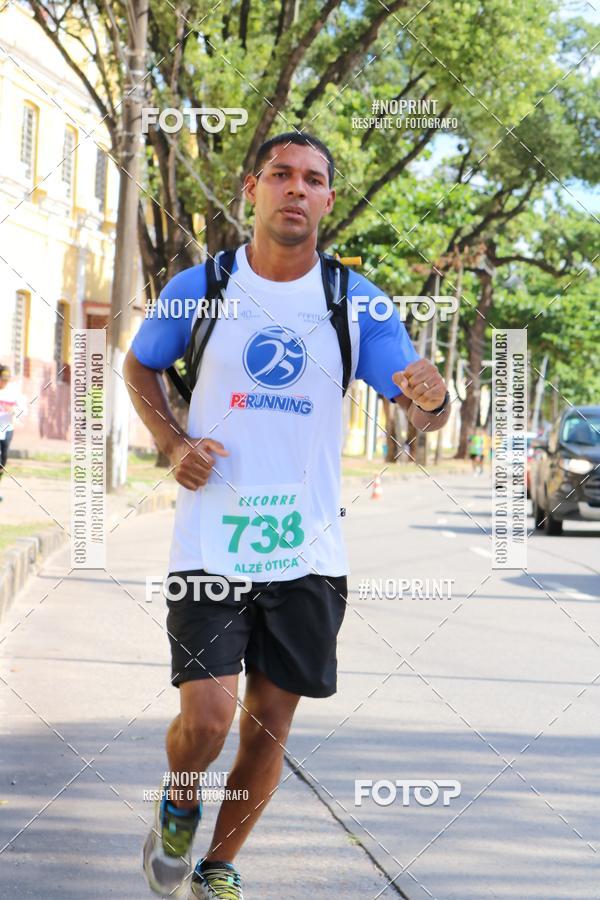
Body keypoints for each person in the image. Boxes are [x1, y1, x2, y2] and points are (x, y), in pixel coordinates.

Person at [124, 132, 450, 900]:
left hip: (308, 553)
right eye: (282, 175)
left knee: (269, 726)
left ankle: (219, 866)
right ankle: (179, 798)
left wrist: (435, 400)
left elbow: (418, 407)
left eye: (313, 179)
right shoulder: (198, 287)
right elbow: (139, 363)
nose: (296, 189)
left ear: (329, 200)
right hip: (212, 543)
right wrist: (172, 443)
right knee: (205, 722)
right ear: (253, 190)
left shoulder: (354, 300)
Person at [0, 365, 26, 501]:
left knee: (2, 459)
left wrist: (14, 410)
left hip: (7, 428)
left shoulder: (12, 392)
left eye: (7, 379)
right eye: (2, 379)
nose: (4, 382)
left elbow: (23, 410)